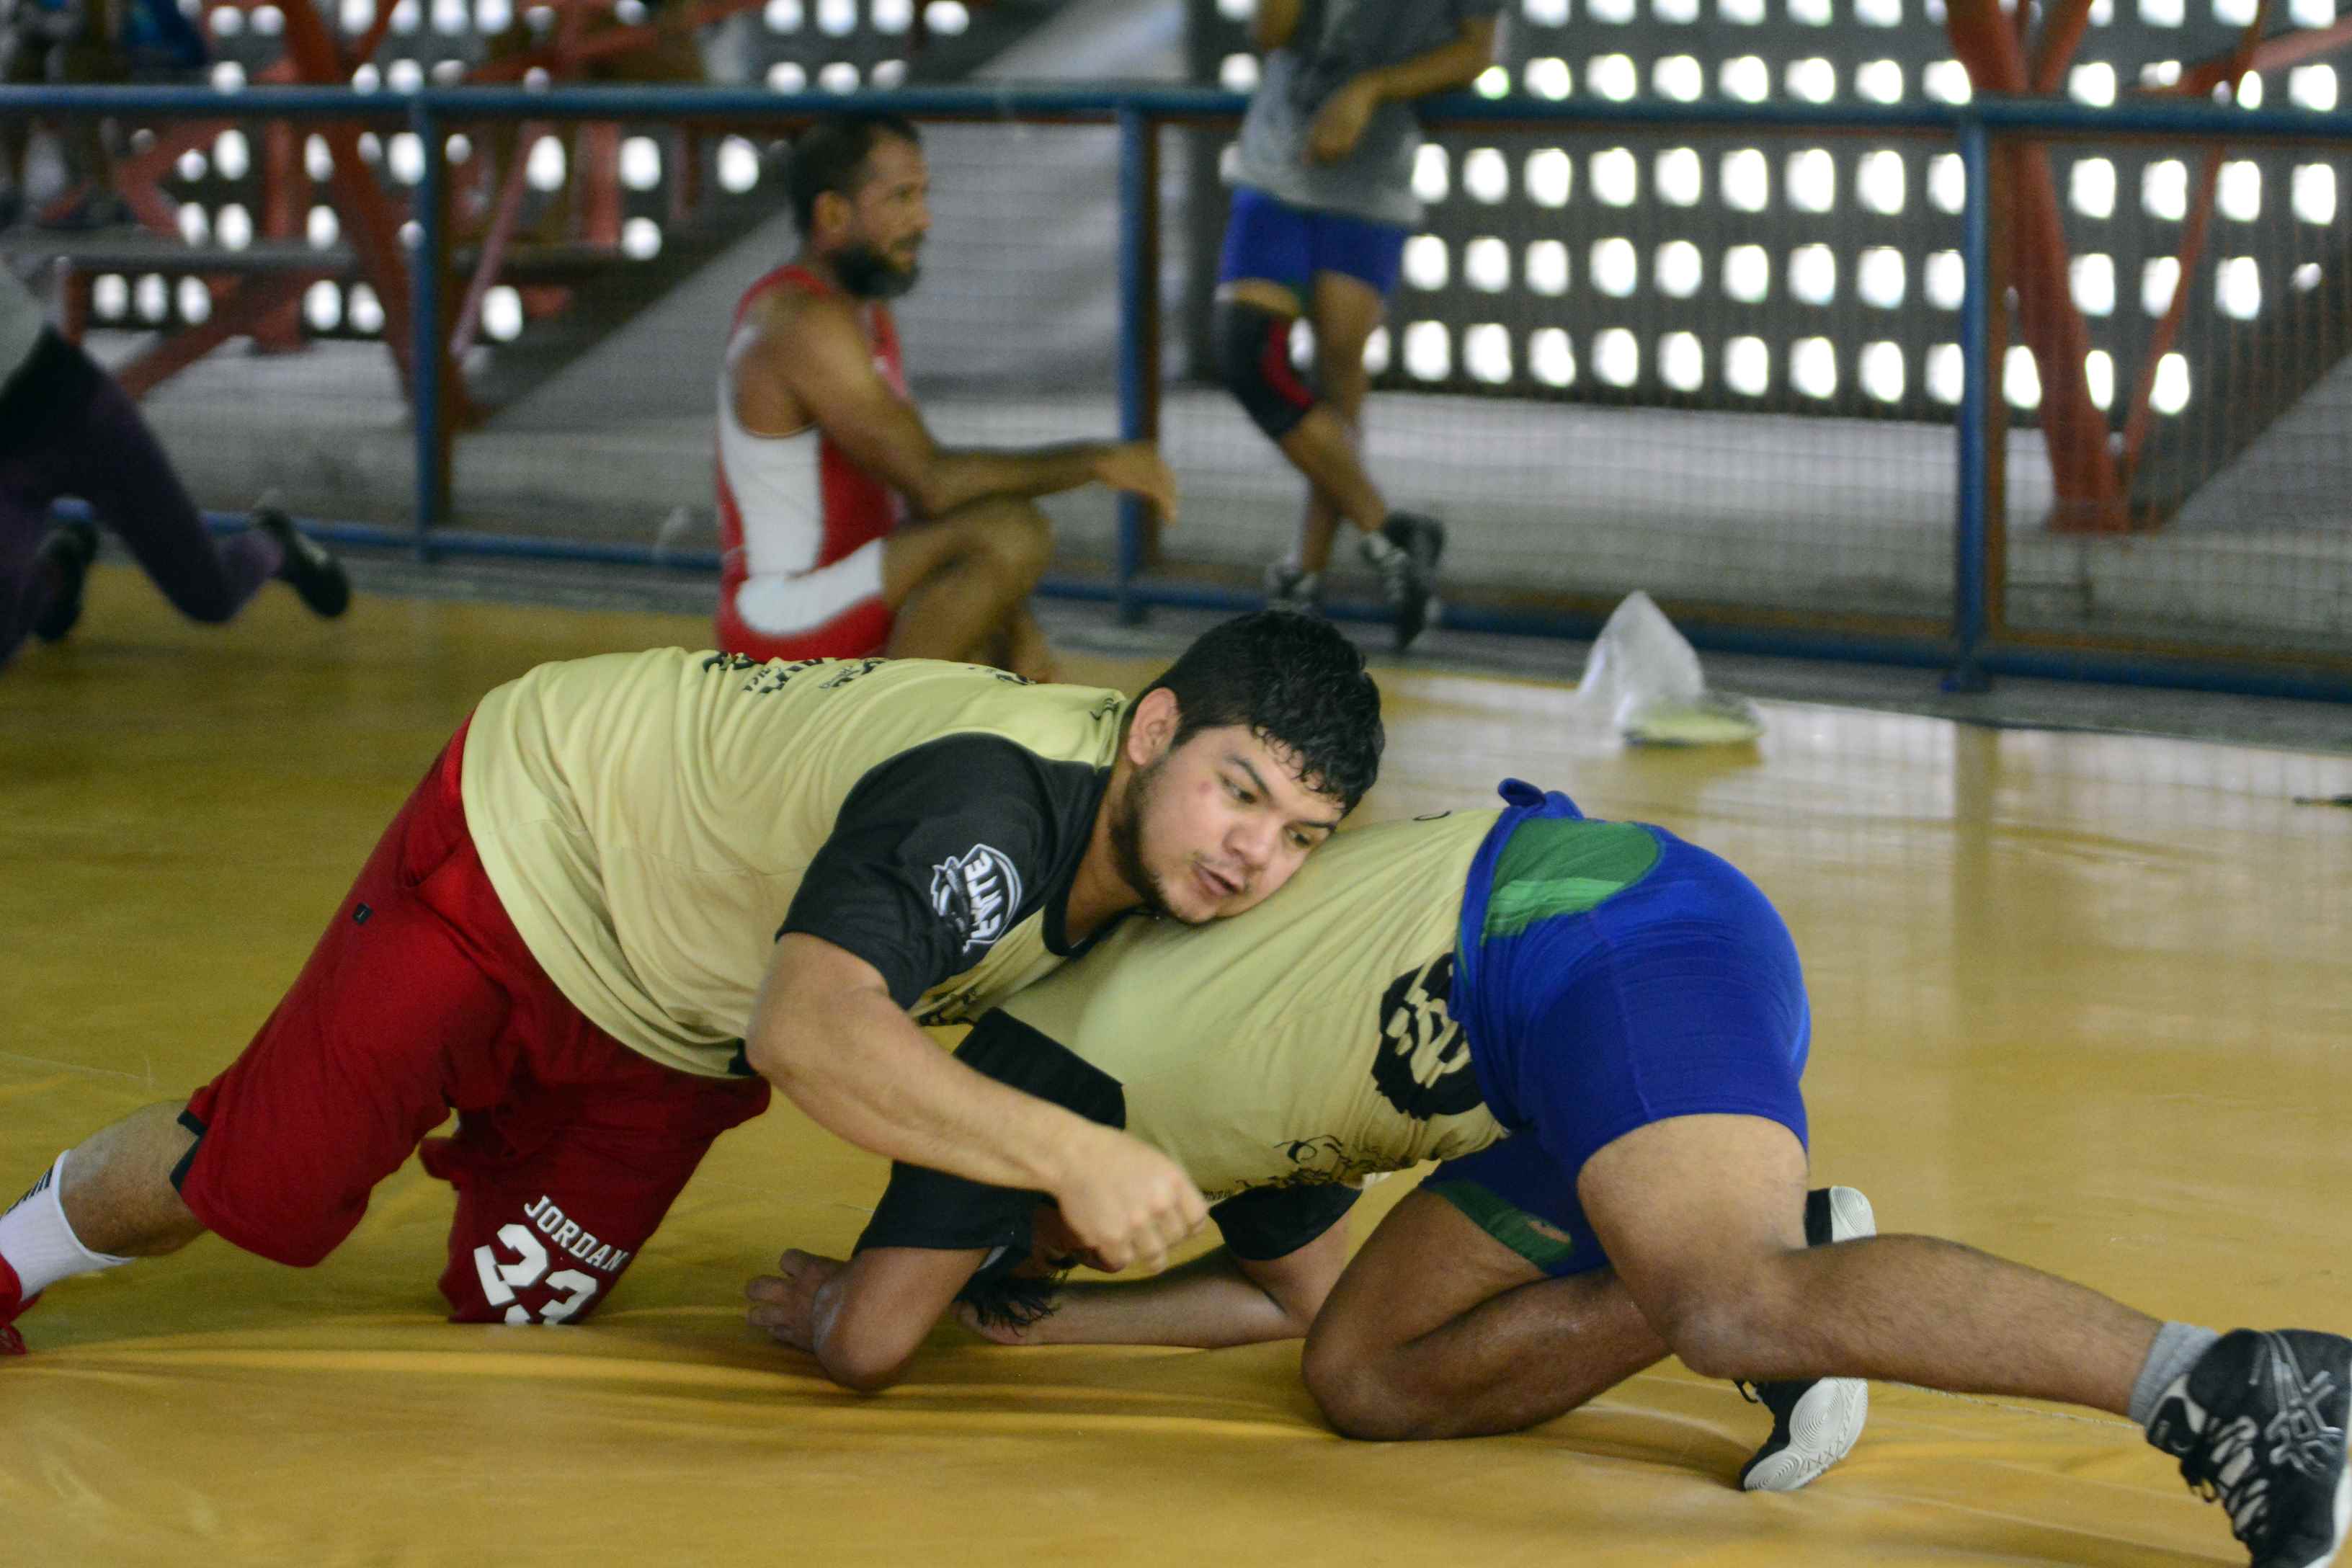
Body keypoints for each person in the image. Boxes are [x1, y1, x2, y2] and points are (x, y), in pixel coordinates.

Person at [747, 782, 2349, 1568]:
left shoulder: (1068, 1072)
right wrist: (1026, 1315)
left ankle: (2225, 1383)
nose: (1088, 1252)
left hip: (1607, 939)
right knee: (1363, 1373)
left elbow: (870, 1336)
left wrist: (875, 1305)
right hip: (1555, 1049)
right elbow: (1283, 1299)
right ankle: (1779, 1250)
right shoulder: (1187, 1122)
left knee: (1726, 1304)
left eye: (1038, 1244)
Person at [0, 610, 1384, 1355]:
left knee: (514, 1302)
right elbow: (811, 1030)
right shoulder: (991, 805)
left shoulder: (1175, 878)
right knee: (265, 1174)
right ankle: (11, 1257)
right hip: (539, 850)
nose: (1252, 856)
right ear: (1151, 731)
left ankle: (496, 1133)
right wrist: (1072, 1159)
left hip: (684, 1019)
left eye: (1300, 835)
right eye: (1236, 791)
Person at [715, 114, 1177, 680]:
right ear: (833, 213)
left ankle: (907, 705)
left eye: (923, 195)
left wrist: (1019, 628)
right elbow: (935, 482)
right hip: (782, 617)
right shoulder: (800, 320)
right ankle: (883, 721)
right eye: (901, 198)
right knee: (1012, 534)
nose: (923, 219)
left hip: (853, 586)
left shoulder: (862, 311)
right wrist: (1095, 461)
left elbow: (924, 497)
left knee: (989, 625)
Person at [1216, 0, 1497, 647]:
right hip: (1280, 163)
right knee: (1247, 351)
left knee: (1340, 374)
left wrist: (1371, 87)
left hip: (1371, 180)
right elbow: (1270, 33)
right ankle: (1390, 532)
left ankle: (1303, 578)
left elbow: (1477, 50)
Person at [0, 264, 348, 669]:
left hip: (85, 424)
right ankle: (61, 572)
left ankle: (273, 542)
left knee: (212, 596)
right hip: (14, 454)